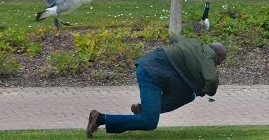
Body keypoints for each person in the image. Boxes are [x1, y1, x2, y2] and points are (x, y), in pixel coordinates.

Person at [86, 35, 227, 138]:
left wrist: (180, 52)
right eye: (219, 62)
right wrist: (207, 90)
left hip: (151, 66)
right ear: (218, 58)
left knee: (188, 95)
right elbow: (212, 81)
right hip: (151, 73)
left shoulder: (192, 42)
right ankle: (100, 118)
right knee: (149, 122)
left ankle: (144, 108)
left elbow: (174, 38)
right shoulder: (209, 58)